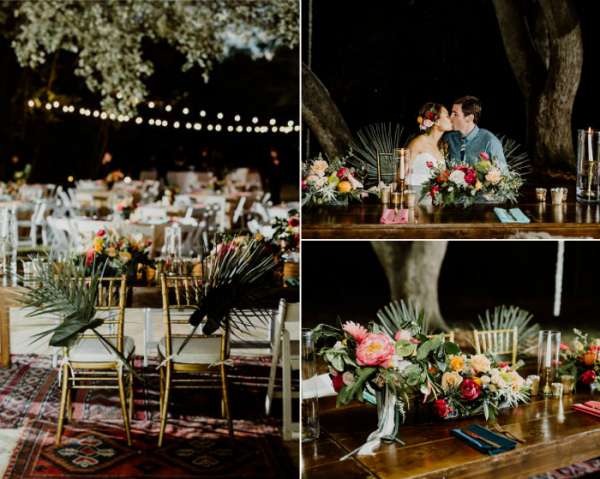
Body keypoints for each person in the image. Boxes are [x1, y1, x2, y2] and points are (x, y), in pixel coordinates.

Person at [445, 96, 507, 169]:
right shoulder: (448, 139)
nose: (450, 117)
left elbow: (504, 176)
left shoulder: (490, 142)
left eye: (455, 114)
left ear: (469, 118)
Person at [405, 102, 453, 188]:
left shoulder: (441, 147)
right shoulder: (418, 142)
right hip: (415, 196)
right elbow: (401, 175)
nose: (451, 119)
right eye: (447, 116)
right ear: (437, 121)